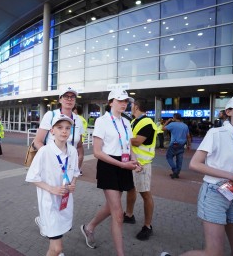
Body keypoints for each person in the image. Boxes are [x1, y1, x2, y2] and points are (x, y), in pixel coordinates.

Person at [177, 93, 233, 256]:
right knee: (214, 253)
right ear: (229, 111)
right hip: (213, 193)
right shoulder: (216, 133)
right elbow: (195, 164)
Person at [80, 89, 142, 255]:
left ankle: (89, 227)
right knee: (118, 213)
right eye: (120, 100)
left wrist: (135, 161)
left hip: (123, 164)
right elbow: (97, 152)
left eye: (126, 101)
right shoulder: (102, 121)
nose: (124, 104)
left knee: (111, 205)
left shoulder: (127, 122)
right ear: (110, 102)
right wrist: (122, 165)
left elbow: (128, 146)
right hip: (109, 166)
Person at [25, 114, 80, 256]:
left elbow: (75, 172)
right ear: (52, 131)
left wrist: (72, 183)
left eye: (68, 128)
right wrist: (52, 189)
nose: (64, 131)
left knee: (58, 238)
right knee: (57, 248)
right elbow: (32, 177)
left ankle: (44, 227)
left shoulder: (72, 151)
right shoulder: (44, 151)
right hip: (49, 204)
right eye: (60, 127)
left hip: (65, 203)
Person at [124, 98, 157, 241]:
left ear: (136, 107)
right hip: (133, 162)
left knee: (145, 194)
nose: (130, 107)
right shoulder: (134, 121)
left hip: (142, 164)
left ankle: (147, 226)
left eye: (131, 105)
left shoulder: (147, 123)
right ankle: (129, 215)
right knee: (131, 189)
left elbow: (137, 140)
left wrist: (121, 137)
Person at [162, 113, 191, 179]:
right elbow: (188, 136)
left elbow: (162, 128)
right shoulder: (185, 126)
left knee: (169, 157)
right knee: (179, 159)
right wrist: (189, 145)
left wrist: (168, 121)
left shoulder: (172, 124)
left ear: (174, 118)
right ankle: (177, 173)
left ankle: (174, 170)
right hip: (182, 144)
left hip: (174, 143)